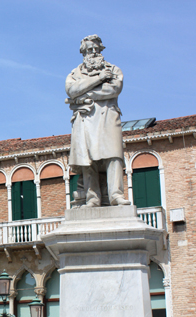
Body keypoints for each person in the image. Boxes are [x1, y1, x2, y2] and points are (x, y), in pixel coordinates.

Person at [66, 35, 130, 207]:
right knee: (88, 160)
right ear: (83, 52)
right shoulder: (75, 73)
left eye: (96, 49)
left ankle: (116, 194)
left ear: (101, 50)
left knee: (114, 155)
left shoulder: (114, 69)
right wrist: (99, 78)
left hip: (108, 116)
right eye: (89, 49)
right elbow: (72, 90)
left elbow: (113, 89)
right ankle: (92, 197)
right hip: (85, 119)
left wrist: (86, 94)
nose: (93, 52)